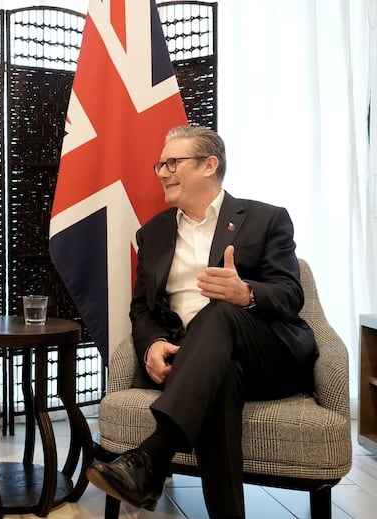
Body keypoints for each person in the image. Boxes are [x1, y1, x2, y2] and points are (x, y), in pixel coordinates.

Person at [86, 126, 317, 518]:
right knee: (221, 377)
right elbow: (141, 309)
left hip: (268, 353)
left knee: (222, 309)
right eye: (160, 164)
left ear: (210, 165)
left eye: (173, 162)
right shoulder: (154, 233)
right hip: (196, 363)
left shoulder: (265, 219)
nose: (162, 172)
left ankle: (153, 455)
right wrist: (153, 344)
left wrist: (246, 293)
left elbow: (291, 295)